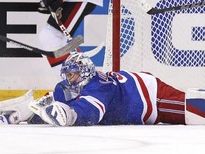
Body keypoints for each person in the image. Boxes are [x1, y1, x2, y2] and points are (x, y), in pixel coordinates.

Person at [28, 50, 188, 126]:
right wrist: (30, 113)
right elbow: (50, 100)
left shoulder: (99, 86)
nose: (69, 80)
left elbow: (89, 113)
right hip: (134, 86)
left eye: (72, 75)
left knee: (193, 111)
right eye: (67, 75)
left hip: (151, 97)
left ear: (84, 72)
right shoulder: (74, 85)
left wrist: (71, 115)